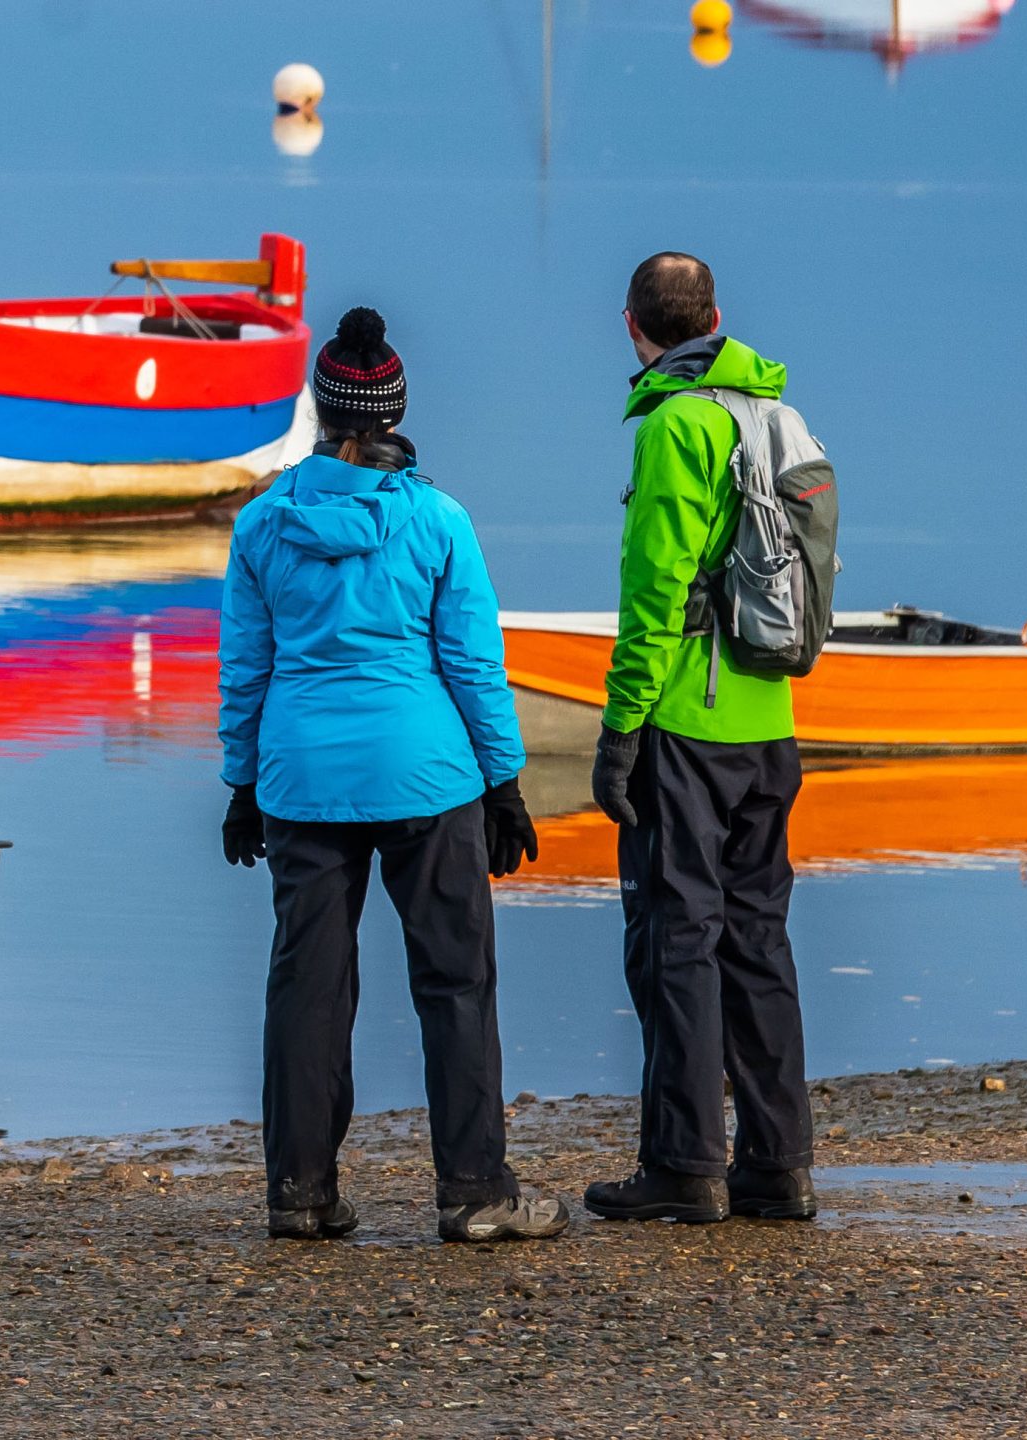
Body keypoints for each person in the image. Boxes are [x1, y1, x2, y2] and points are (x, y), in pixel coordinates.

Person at [218, 306, 567, 1244]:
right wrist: (504, 783)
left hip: (301, 779)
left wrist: (240, 784)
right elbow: (473, 665)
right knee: (456, 982)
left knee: (308, 986)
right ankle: (476, 1194)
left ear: (324, 412)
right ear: (396, 409)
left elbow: (246, 667)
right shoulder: (437, 519)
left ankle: (300, 1193)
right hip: (428, 776)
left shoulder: (261, 525)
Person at [583, 254, 816, 1224]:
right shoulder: (778, 415)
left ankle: (684, 1164)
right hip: (772, 720)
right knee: (757, 941)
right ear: (716, 316)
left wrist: (619, 725)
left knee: (676, 942)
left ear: (631, 327)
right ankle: (778, 1164)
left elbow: (654, 594)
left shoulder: (676, 424)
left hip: (687, 716)